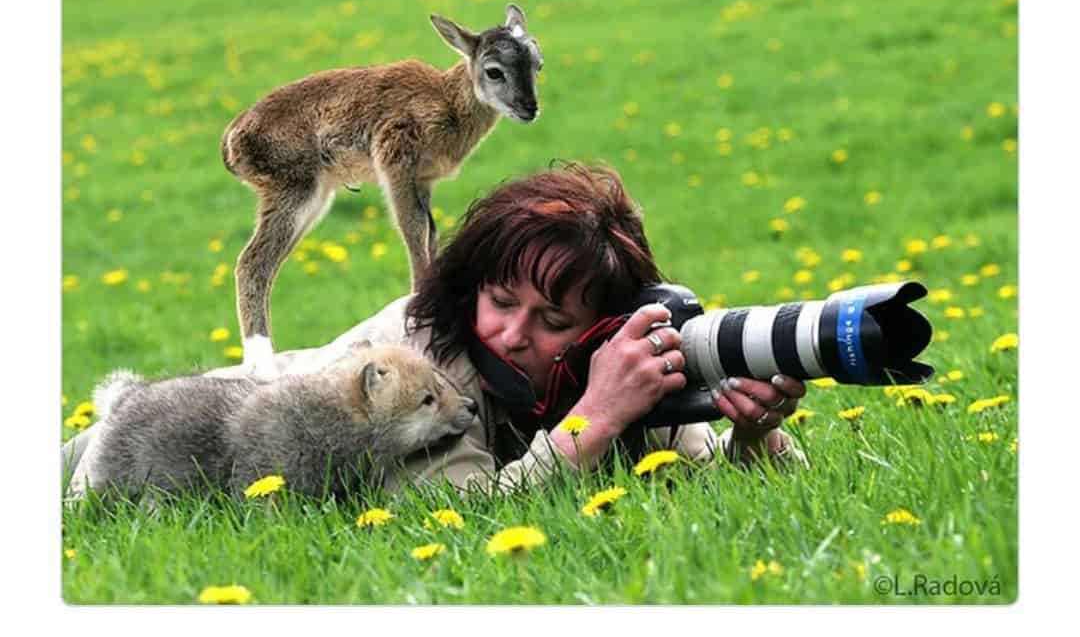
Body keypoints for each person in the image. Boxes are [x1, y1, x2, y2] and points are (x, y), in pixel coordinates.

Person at [65, 166, 806, 498]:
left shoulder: (620, 360)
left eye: (552, 320)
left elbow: (713, 483)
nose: (513, 333)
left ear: (602, 329)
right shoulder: (418, 366)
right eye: (500, 300)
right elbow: (464, 516)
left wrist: (755, 435)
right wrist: (594, 420)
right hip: (159, 434)